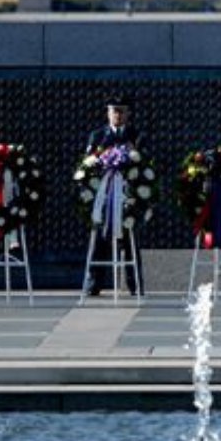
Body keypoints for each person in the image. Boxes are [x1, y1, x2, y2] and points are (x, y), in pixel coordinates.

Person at [85, 97, 145, 296]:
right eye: (114, 111)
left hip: (128, 197)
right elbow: (88, 163)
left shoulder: (136, 136)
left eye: (121, 111)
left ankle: (134, 284)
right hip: (104, 197)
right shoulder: (98, 135)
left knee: (130, 241)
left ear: (127, 114)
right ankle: (94, 284)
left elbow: (144, 163)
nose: (118, 115)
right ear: (108, 113)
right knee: (100, 241)